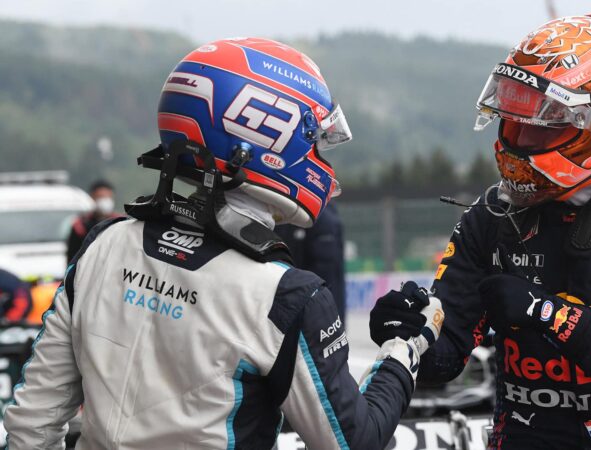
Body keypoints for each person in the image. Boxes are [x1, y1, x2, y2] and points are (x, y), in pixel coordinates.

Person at [5, 38, 443, 450]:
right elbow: (352, 440)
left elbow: (30, 424)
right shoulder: (286, 294)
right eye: (314, 140)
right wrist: (405, 349)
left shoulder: (104, 243)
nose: (319, 158)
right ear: (264, 135)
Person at [370, 13, 591, 449]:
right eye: (515, 120)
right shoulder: (491, 216)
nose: (519, 137)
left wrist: (548, 314)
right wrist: (409, 331)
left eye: (542, 123)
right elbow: (446, 358)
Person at [275, 202, 346, 321]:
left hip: (314, 313)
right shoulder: (299, 211)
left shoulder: (319, 216)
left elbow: (325, 276)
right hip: (306, 307)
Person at [66, 179, 119, 262]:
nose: (105, 201)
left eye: (107, 197)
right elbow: (72, 257)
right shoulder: (80, 227)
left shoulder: (120, 223)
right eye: (101, 197)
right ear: (92, 198)